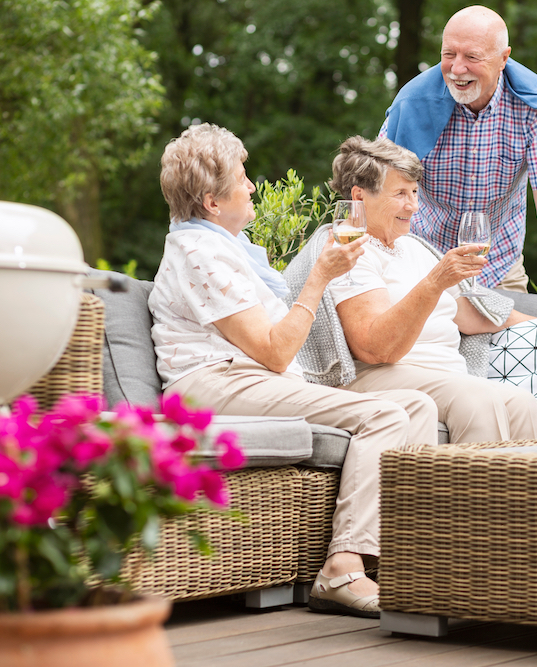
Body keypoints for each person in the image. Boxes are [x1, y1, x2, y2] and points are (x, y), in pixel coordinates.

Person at [148, 124, 440, 619]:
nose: (252, 186)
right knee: (384, 416)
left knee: (417, 404)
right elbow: (275, 353)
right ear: (212, 202)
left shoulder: (228, 249)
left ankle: (404, 561)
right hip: (212, 385)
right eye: (242, 177)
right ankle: (341, 569)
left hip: (246, 379)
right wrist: (320, 275)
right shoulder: (198, 253)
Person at [323, 136, 537, 443]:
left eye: (416, 193)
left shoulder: (415, 248)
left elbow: (473, 317)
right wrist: (435, 283)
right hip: (383, 372)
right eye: (401, 194)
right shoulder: (349, 249)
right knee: (479, 401)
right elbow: (375, 347)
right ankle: (473, 493)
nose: (414, 206)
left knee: (524, 405)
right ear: (359, 196)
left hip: (445, 375)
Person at [379, 5, 537, 292]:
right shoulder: (411, 104)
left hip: (498, 266)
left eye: (472, 57)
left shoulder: (536, 108)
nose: (457, 68)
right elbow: (376, 195)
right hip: (421, 262)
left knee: (516, 335)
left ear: (504, 59)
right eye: (449, 54)